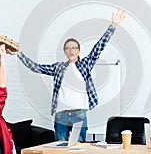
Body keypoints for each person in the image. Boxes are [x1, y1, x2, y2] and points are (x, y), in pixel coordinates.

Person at [7, 9, 125, 142]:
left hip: (79, 114)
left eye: (74, 48)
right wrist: (18, 54)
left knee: (78, 148)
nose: (71, 50)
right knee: (59, 147)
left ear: (79, 50)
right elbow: (36, 67)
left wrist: (113, 25)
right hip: (61, 115)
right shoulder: (59, 67)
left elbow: (99, 46)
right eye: (68, 48)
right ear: (65, 51)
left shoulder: (85, 64)